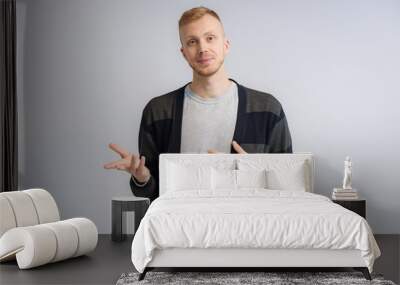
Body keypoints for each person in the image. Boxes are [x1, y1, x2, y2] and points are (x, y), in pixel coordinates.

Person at [104, 6, 292, 202]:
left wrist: (252, 174)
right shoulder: (158, 111)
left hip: (247, 229)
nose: (203, 48)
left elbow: (289, 188)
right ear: (184, 52)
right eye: (192, 42)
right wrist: (142, 179)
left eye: (210, 38)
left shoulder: (268, 109)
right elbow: (152, 193)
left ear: (226, 45)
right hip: (180, 228)